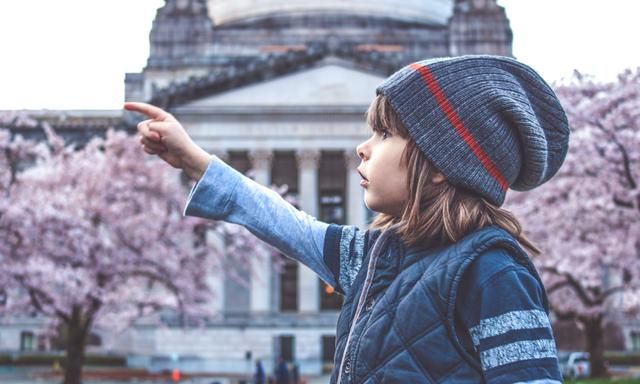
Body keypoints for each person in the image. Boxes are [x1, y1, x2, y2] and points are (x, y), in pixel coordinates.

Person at [125, 55, 570, 383]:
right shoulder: (376, 255)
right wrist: (197, 162)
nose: (363, 147)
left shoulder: (493, 272)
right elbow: (287, 224)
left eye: (385, 133)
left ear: (440, 164)